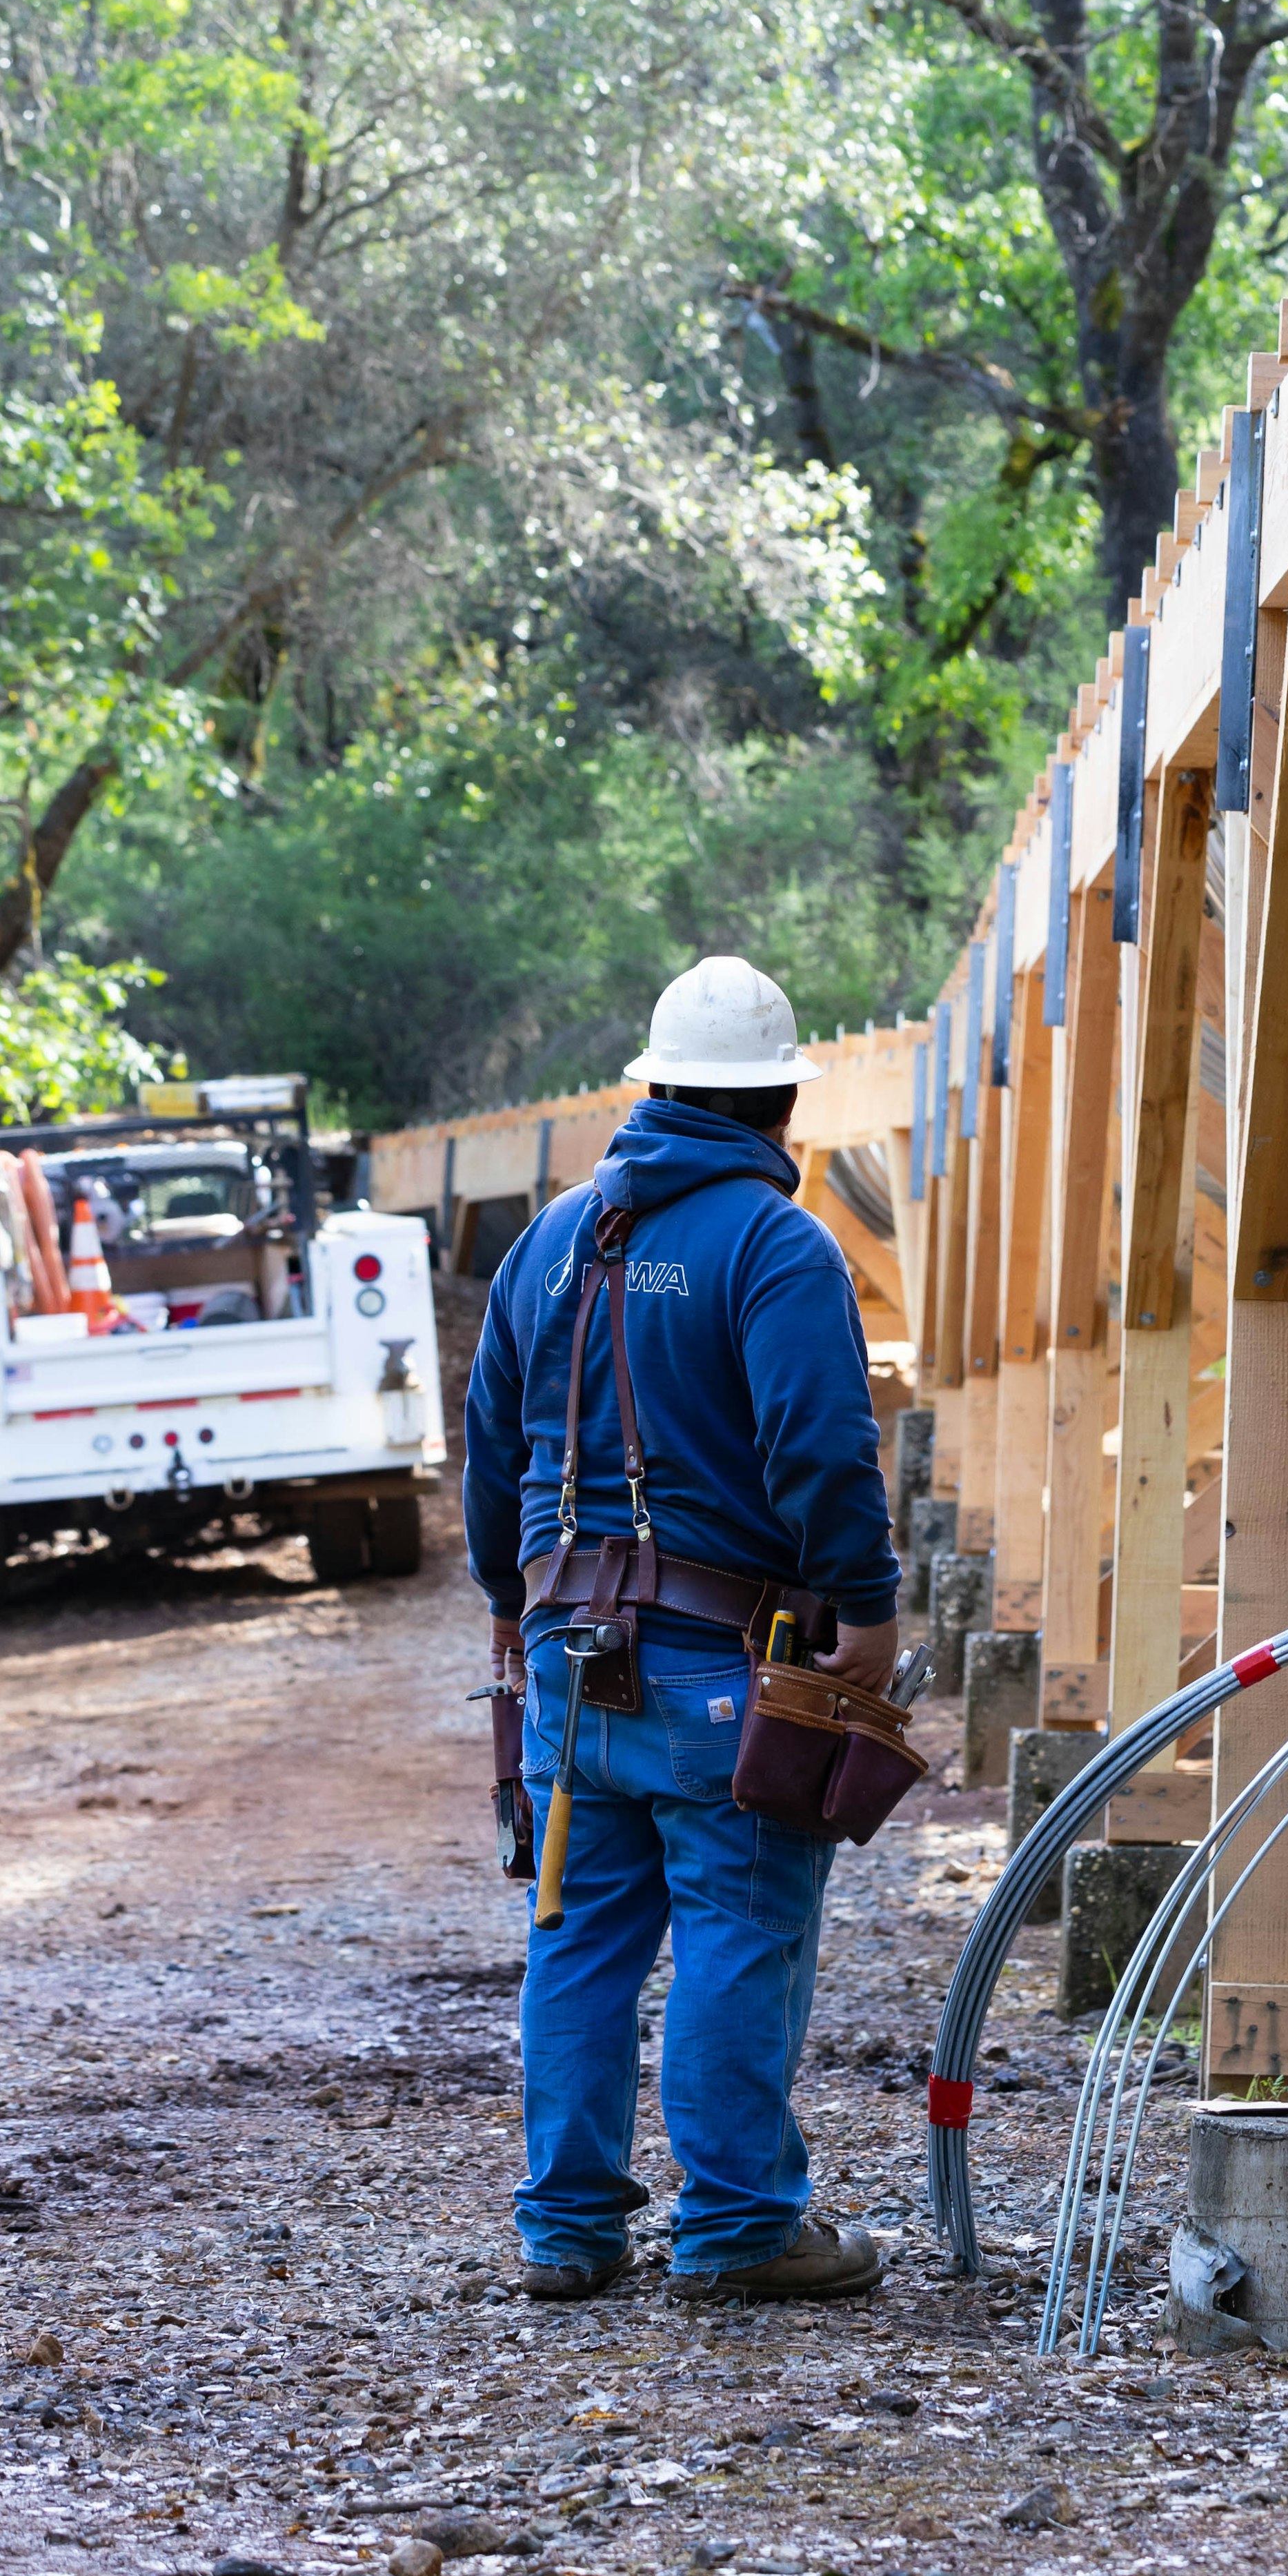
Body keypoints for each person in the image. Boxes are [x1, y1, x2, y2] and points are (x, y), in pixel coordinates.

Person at [466, 954, 900, 2302]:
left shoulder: (550, 1241)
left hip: (567, 1666)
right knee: (737, 1926)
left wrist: (506, 1603)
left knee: (579, 1935)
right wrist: (868, 1613)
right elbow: (824, 1454)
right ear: (783, 1107)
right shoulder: (776, 1246)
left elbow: (490, 1453)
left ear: (651, 1090)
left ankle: (569, 2230)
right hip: (721, 1667)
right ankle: (739, 2229)